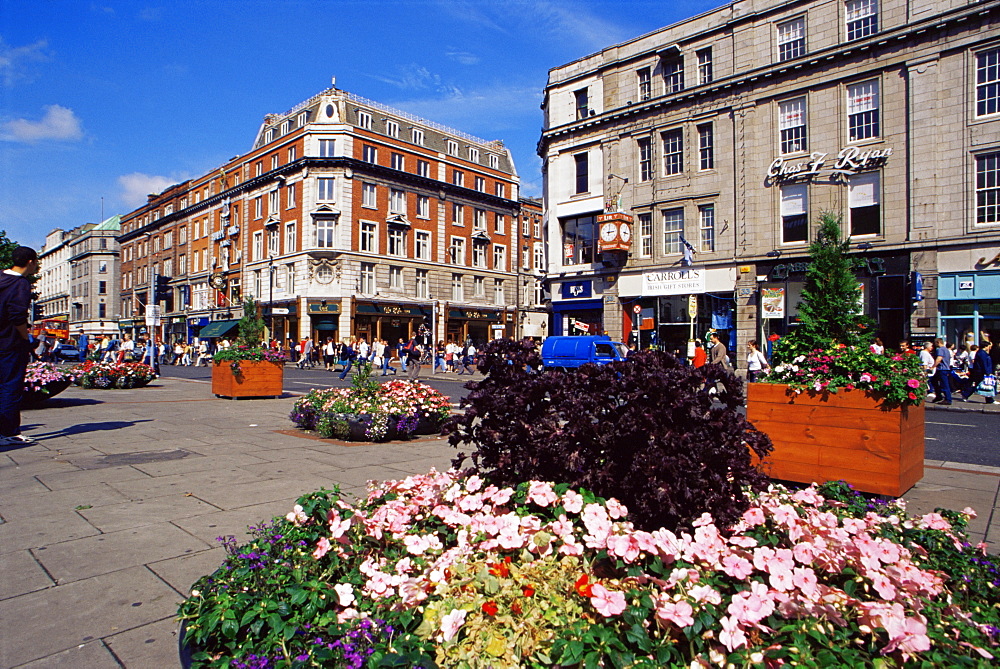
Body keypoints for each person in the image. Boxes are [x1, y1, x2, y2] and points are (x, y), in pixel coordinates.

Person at [0, 246, 40, 445]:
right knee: (10, 386)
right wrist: (25, 338)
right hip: (9, 342)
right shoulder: (20, 284)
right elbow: (17, 316)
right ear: (30, 262)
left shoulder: (1, 278)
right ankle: (9, 432)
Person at [931, 338, 952, 405]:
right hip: (945, 368)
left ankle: (948, 399)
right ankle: (938, 396)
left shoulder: (940, 350)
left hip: (942, 369)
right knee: (934, 380)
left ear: (938, 342)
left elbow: (939, 358)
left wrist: (933, 366)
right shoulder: (946, 350)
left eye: (935, 343)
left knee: (944, 384)